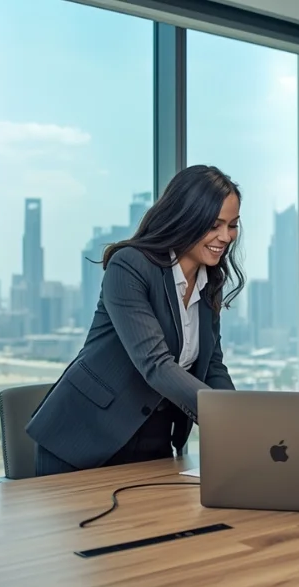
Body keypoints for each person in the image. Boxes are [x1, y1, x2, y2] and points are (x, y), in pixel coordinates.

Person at [26, 165, 243, 476]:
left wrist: (246, 420)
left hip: (152, 443)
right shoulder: (130, 266)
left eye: (233, 225)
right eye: (214, 225)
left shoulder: (210, 282)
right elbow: (156, 364)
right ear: (185, 218)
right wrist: (226, 418)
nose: (225, 237)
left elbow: (213, 367)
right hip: (81, 440)